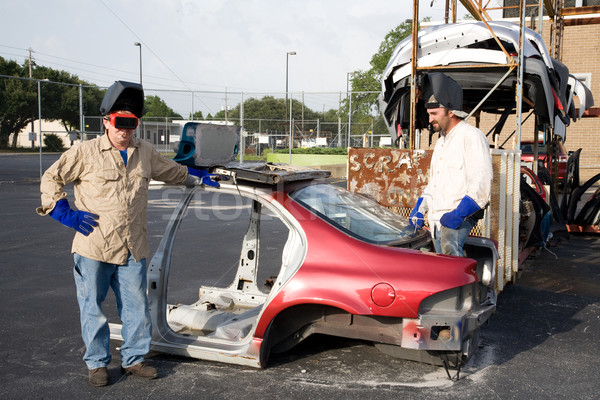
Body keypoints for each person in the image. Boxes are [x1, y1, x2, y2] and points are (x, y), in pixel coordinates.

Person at [36, 80, 218, 387]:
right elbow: (51, 177)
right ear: (106, 121)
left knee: (136, 306)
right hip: (94, 245)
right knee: (92, 307)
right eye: (120, 124)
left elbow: (170, 170)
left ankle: (134, 359)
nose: (126, 131)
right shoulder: (86, 152)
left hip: (133, 246)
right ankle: (97, 364)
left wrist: (198, 177)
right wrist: (62, 211)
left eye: (131, 125)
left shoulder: (143, 151)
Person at [409, 72, 493, 257]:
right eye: (428, 113)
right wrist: (420, 208)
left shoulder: (472, 137)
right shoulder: (441, 142)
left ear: (451, 111)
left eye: (434, 114)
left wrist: (458, 214)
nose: (429, 119)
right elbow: (436, 183)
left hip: (456, 220)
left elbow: (481, 184)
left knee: (453, 266)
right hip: (437, 219)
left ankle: (470, 287)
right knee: (444, 268)